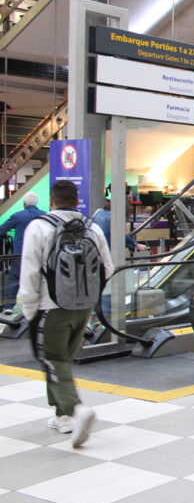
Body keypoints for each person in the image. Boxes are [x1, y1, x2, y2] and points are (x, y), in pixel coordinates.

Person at [21, 180, 114, 447]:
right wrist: (89, 298)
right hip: (83, 307)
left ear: (52, 200)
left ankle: (76, 409)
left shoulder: (39, 227)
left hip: (50, 308)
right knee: (64, 358)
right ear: (77, 201)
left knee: (51, 358)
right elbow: (107, 267)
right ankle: (62, 416)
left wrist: (29, 310)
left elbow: (29, 273)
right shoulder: (92, 227)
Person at [0, 192, 46, 309]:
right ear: (37, 203)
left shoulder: (18, 216)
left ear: (24, 203)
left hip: (20, 255)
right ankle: (40, 307)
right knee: (40, 280)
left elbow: (1, 230)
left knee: (14, 280)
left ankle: (8, 307)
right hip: (39, 255)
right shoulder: (45, 216)